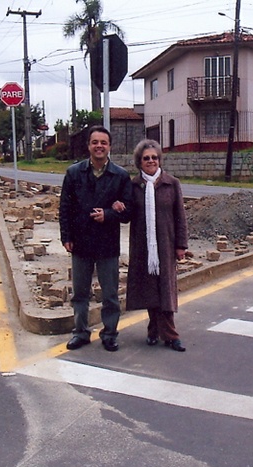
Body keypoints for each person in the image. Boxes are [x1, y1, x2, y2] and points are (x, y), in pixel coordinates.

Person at [59, 125, 132, 352]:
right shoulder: (74, 173)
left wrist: (109, 214)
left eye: (103, 142)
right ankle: (80, 333)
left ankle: (109, 333)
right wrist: (66, 237)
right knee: (80, 293)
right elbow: (65, 208)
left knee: (110, 294)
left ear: (109, 146)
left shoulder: (120, 176)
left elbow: (128, 213)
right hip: (80, 242)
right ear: (88, 145)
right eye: (95, 142)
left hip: (107, 243)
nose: (99, 146)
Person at [115, 139, 188, 352]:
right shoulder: (134, 186)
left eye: (154, 157)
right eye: (146, 158)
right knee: (149, 290)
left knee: (166, 289)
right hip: (143, 247)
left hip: (166, 245)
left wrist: (181, 245)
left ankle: (170, 334)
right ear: (139, 161)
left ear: (159, 160)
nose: (151, 161)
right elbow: (128, 216)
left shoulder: (171, 183)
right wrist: (119, 208)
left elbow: (180, 217)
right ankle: (154, 329)